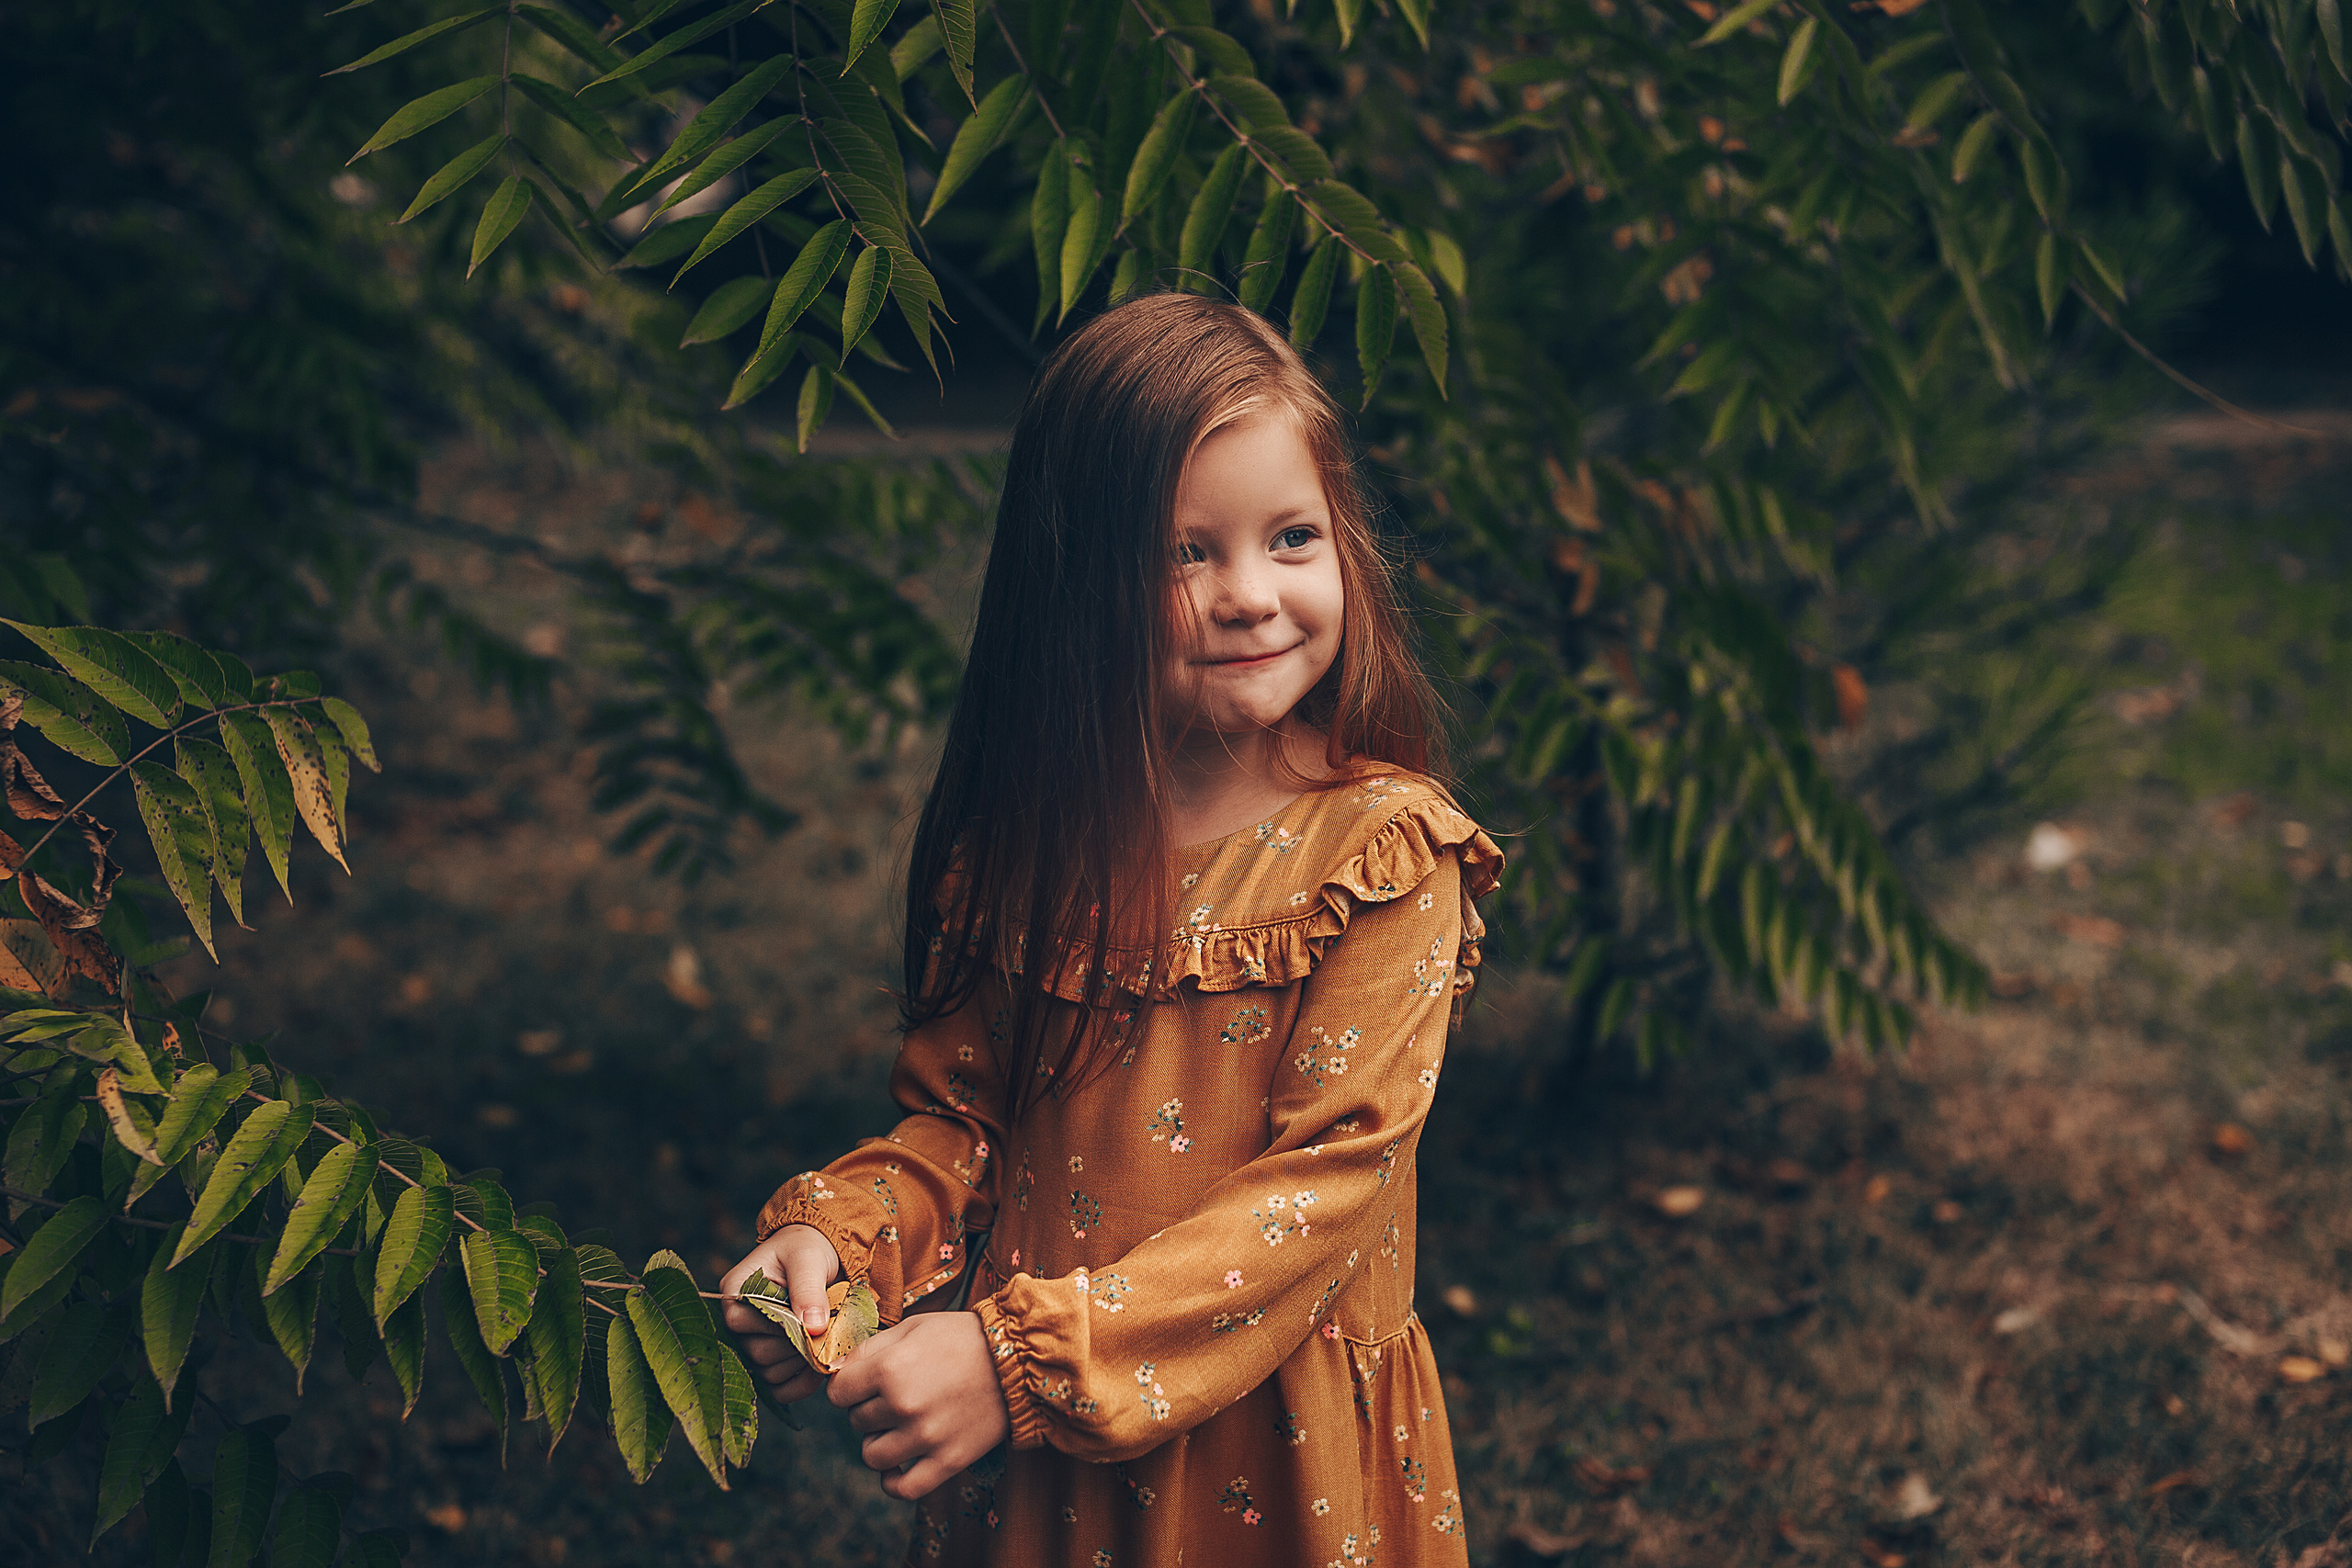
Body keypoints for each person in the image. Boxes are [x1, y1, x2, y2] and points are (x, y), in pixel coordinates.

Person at [720, 291, 1502, 1567]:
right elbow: (956, 1122)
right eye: (1187, 552)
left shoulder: (1382, 853)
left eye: (1292, 536)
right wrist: (835, 1238)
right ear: (1072, 579)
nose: (1252, 594)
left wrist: (1019, 1360)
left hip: (1275, 1458)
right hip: (1046, 1481)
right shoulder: (1030, 851)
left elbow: (1326, 1188)